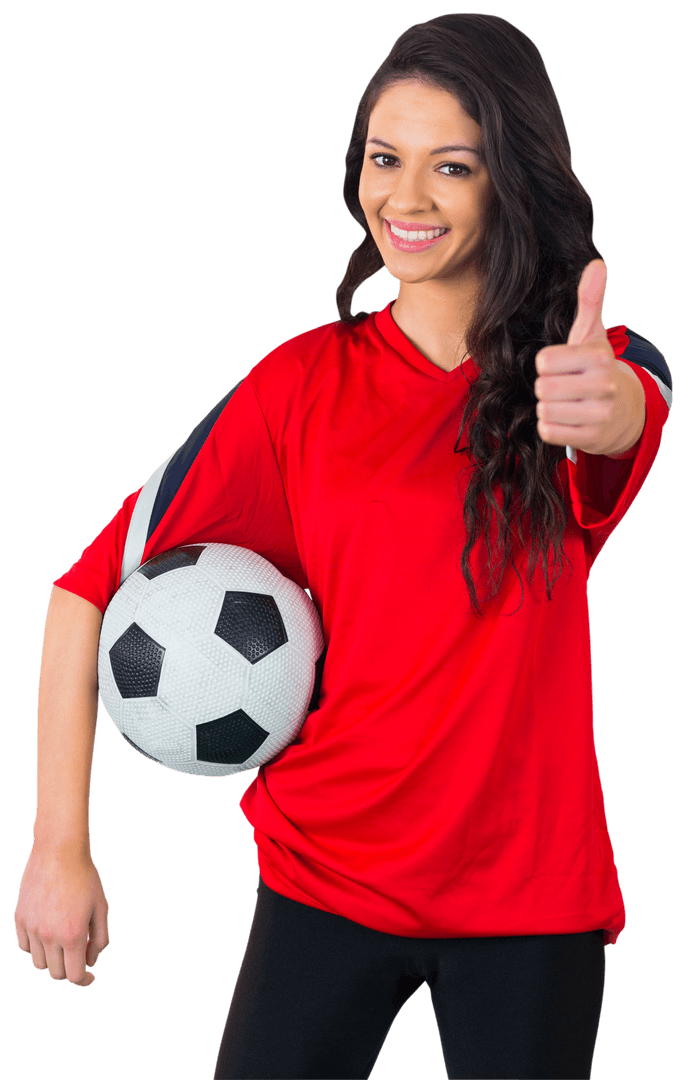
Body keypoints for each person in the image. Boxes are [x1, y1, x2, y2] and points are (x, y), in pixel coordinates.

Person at [14, 12, 672, 1080]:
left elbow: (629, 409)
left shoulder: (582, 370)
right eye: (385, 158)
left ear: (513, 175)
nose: (406, 198)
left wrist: (608, 407)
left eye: (451, 166)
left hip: (528, 900)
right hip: (325, 880)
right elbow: (81, 594)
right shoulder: (299, 386)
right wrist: (58, 848)